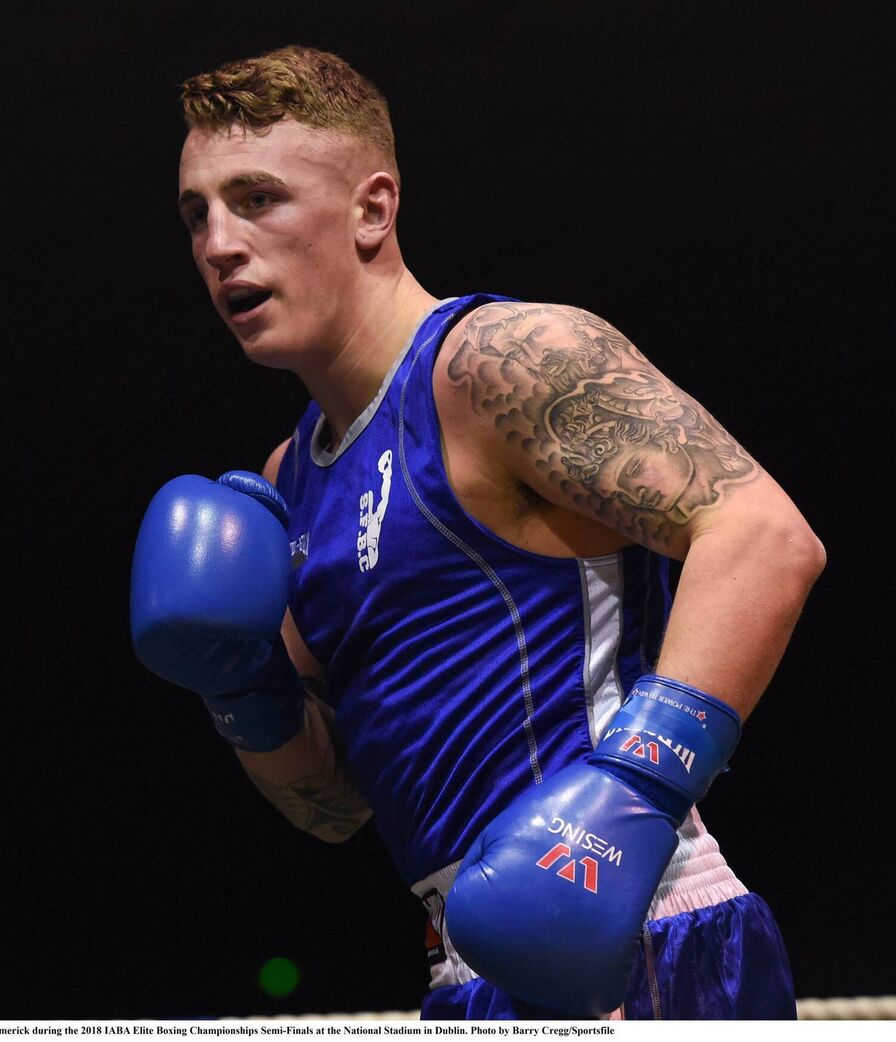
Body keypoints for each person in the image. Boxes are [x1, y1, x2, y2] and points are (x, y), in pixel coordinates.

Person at [130, 45, 825, 1020]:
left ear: (373, 208)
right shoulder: (290, 485)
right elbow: (333, 805)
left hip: (644, 941)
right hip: (464, 968)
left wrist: (626, 799)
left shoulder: (497, 364)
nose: (218, 242)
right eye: (196, 212)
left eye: (256, 199)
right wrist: (242, 689)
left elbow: (761, 535)